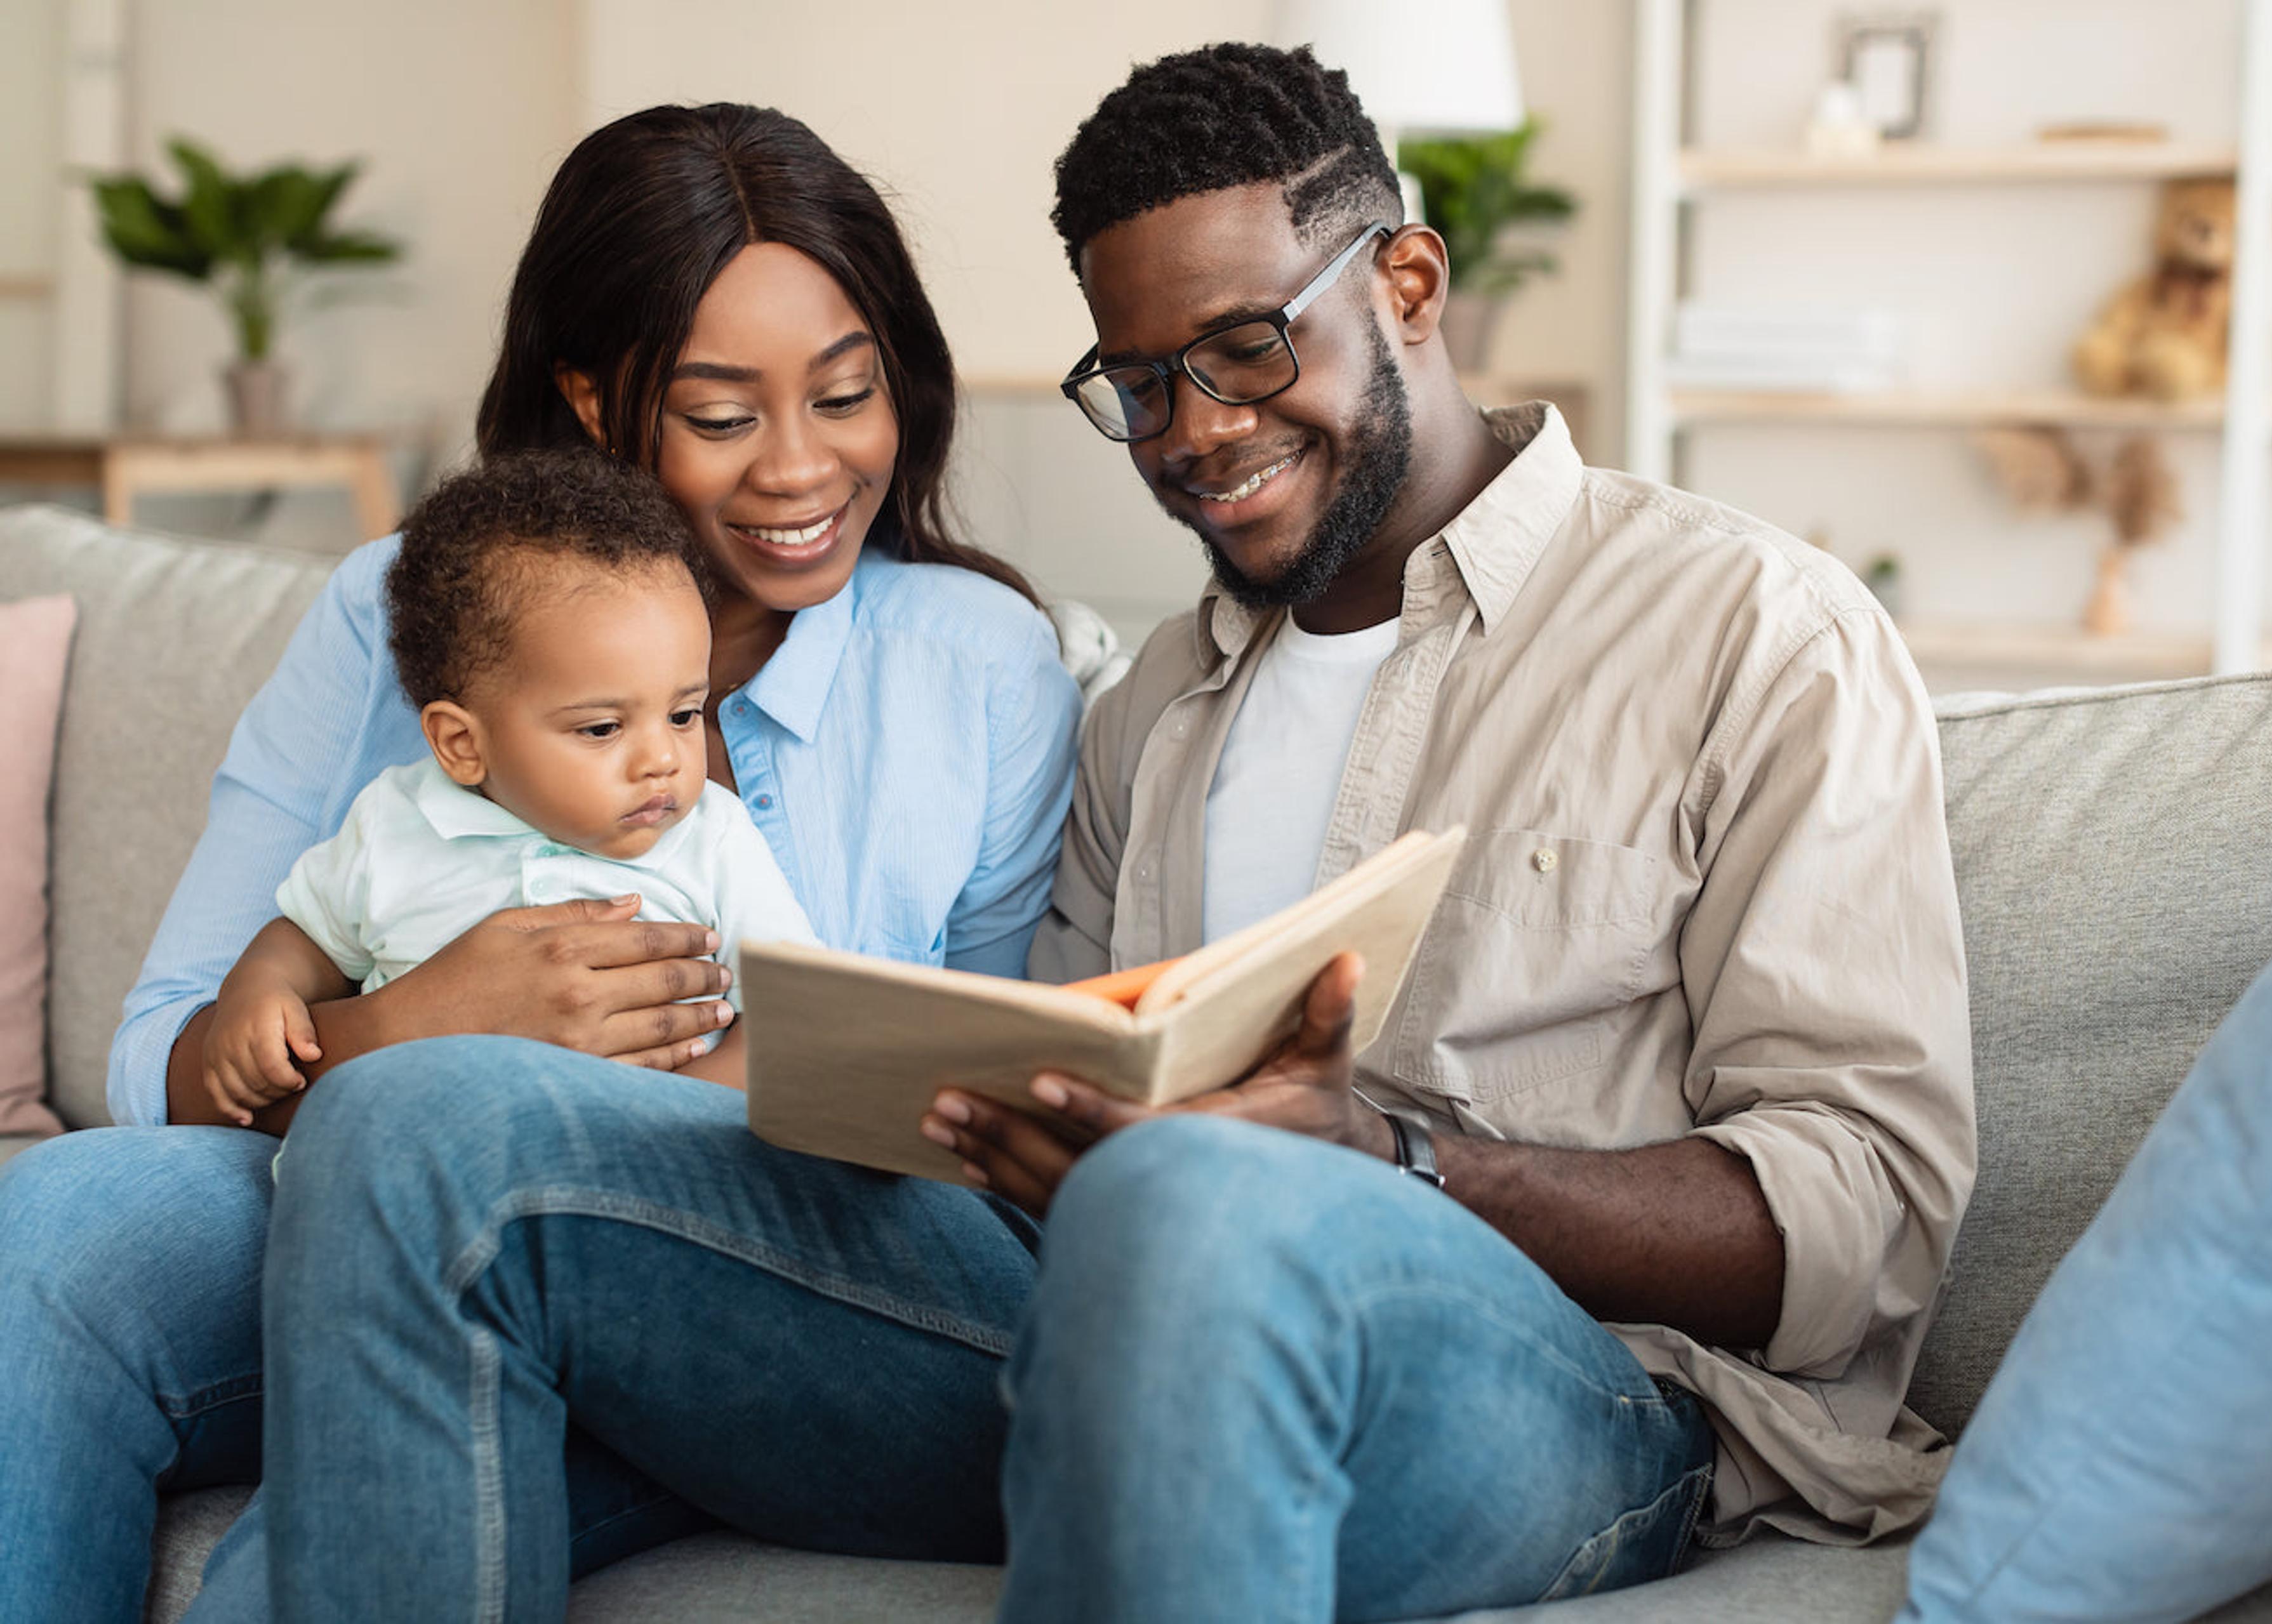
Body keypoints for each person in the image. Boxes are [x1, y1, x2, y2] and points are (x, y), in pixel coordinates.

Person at [251, 43, 1974, 1623]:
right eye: (1140, 383)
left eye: (1246, 347)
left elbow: (1867, 1216)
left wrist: (1393, 1161)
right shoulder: (1154, 703)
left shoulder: (1750, 627)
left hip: (1585, 1391)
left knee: (1197, 1195)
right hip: (1089, 1325)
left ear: (1409, 281)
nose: (1198, 431)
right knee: (416, 1117)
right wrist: (999, 1115)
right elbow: (1049, 1119)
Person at [0, 102, 1080, 1624]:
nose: (800, 468)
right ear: (591, 398)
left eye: (848, 394)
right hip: (394, 1218)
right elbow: (155, 1053)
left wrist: (643, 1109)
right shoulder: (400, 611)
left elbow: (984, 1126)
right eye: (720, 415)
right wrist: (411, 1028)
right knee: (50, 1233)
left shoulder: (978, 664)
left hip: (796, 1279)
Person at [201, 451, 819, 1127]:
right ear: (463, 745)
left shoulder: (712, 838)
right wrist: (257, 994)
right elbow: (307, 939)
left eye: (682, 715)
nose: (662, 760)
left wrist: (675, 1116)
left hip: (635, 1172)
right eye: (603, 728)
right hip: (398, 1174)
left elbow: (796, 1016)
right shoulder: (395, 823)